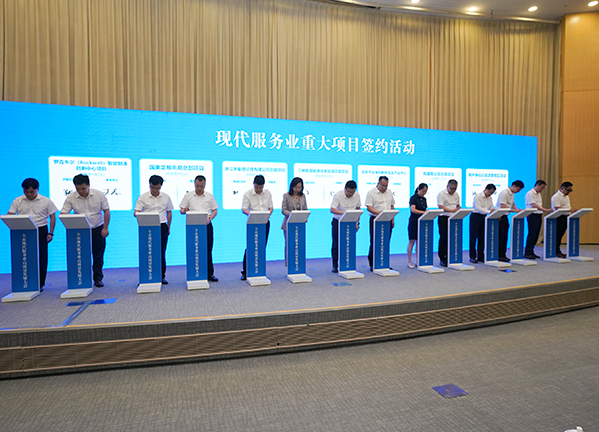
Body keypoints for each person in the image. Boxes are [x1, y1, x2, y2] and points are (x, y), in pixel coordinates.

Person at [8, 178, 58, 291]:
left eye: (31, 192)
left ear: (37, 189)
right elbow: (10, 214)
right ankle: (24, 282)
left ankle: (40, 284)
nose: (29, 194)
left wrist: (51, 233)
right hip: (23, 230)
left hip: (41, 230)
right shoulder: (18, 200)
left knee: (41, 257)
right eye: (26, 192)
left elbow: (52, 217)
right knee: (24, 256)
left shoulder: (46, 201)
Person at [61, 174, 110, 287]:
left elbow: (106, 211)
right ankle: (82, 279)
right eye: (78, 189)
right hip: (80, 231)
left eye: (83, 188)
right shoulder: (71, 197)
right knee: (81, 256)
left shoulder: (99, 194)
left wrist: (105, 228)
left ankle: (98, 278)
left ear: (89, 185)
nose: (80, 191)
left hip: (97, 228)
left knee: (98, 256)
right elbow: (63, 213)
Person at [135, 175, 174, 284]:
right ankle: (146, 276)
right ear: (149, 185)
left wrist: (168, 227)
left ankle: (161, 276)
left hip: (162, 226)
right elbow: (136, 211)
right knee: (147, 252)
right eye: (152, 188)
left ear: (161, 186)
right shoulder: (143, 197)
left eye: (157, 188)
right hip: (147, 227)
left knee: (161, 252)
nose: (155, 190)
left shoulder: (166, 197)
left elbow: (169, 213)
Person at [180, 175, 219, 282]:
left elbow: (215, 210)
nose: (199, 188)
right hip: (192, 227)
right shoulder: (188, 196)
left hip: (206, 225)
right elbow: (181, 211)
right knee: (194, 250)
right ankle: (194, 273)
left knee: (208, 250)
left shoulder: (209, 196)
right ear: (194, 184)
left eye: (201, 186)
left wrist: (210, 218)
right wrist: (184, 210)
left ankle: (210, 274)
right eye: (197, 186)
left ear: (205, 185)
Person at [241, 175, 273, 280]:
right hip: (253, 223)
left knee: (262, 247)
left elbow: (271, 207)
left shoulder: (268, 193)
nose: (259, 189)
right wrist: (253, 215)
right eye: (257, 187)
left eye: (261, 187)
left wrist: (267, 215)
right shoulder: (248, 194)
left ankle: (259, 270)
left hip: (265, 222)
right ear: (253, 184)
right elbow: (244, 209)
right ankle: (245, 272)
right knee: (251, 247)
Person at [330, 180, 361, 273]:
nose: (351, 194)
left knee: (349, 244)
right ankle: (335, 265)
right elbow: (332, 209)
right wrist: (345, 213)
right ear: (345, 189)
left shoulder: (357, 195)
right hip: (338, 221)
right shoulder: (338, 195)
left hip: (350, 222)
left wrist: (357, 223)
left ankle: (348, 264)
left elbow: (358, 209)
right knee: (336, 244)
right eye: (349, 192)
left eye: (353, 192)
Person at [365, 176, 395, 271]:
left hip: (387, 220)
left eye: (386, 186)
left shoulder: (389, 192)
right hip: (376, 219)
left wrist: (392, 219)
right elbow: (369, 207)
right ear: (377, 184)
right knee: (374, 242)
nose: (384, 188)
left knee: (386, 242)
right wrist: (380, 213)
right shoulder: (371, 193)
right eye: (382, 186)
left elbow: (392, 206)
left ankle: (384, 263)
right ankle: (372, 263)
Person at [282, 177, 308, 267]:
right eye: (296, 187)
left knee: (299, 245)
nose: (298, 189)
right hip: (288, 224)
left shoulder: (303, 196)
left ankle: (299, 265)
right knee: (289, 245)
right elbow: (284, 210)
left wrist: (305, 216)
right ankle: (289, 265)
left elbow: (305, 209)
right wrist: (293, 214)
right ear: (292, 186)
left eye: (300, 187)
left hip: (300, 224)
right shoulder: (286, 196)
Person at [496, 180, 524, 262]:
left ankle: (503, 254)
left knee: (504, 237)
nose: (518, 191)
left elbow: (512, 204)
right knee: (501, 237)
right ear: (513, 186)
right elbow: (503, 206)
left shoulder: (512, 194)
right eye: (518, 189)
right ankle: (499, 255)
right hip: (500, 216)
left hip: (505, 216)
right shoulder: (504, 193)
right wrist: (515, 211)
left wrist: (518, 211)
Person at [523, 180, 552, 259]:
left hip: (538, 214)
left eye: (543, 188)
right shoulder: (530, 193)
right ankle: (527, 252)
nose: (542, 189)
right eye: (541, 187)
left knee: (536, 234)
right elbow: (533, 205)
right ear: (536, 185)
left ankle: (531, 251)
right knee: (532, 234)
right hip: (532, 215)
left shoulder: (538, 194)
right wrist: (545, 210)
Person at [469, 183, 496, 264]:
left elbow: (491, 206)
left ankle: (480, 255)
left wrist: (493, 211)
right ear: (486, 189)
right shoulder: (478, 196)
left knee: (482, 237)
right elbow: (478, 208)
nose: (490, 194)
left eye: (492, 193)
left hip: (484, 217)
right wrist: (489, 211)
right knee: (473, 237)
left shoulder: (490, 197)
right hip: (476, 216)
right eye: (490, 192)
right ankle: (472, 256)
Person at [437, 179, 461, 267]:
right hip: (444, 217)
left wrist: (458, 209)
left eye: (455, 189)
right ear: (447, 186)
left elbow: (458, 205)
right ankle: (442, 257)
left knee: (452, 238)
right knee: (444, 238)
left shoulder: (456, 194)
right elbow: (441, 206)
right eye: (451, 188)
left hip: (453, 218)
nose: (453, 190)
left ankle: (450, 256)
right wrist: (451, 210)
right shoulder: (442, 194)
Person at [551, 181, 576, 258]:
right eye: (568, 190)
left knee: (561, 234)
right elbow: (557, 207)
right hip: (559, 216)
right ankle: (556, 251)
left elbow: (567, 206)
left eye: (570, 190)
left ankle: (558, 250)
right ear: (562, 188)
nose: (569, 192)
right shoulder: (556, 196)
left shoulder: (566, 196)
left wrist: (569, 211)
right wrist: (569, 210)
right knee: (558, 235)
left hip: (566, 216)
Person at [407, 183, 428, 269]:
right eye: (423, 191)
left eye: (425, 191)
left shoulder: (424, 199)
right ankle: (409, 261)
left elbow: (425, 209)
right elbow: (413, 210)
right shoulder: (413, 198)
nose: (424, 193)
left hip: (421, 222)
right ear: (418, 189)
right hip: (413, 222)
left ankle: (417, 260)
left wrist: (426, 213)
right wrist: (424, 212)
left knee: (419, 242)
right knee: (412, 242)